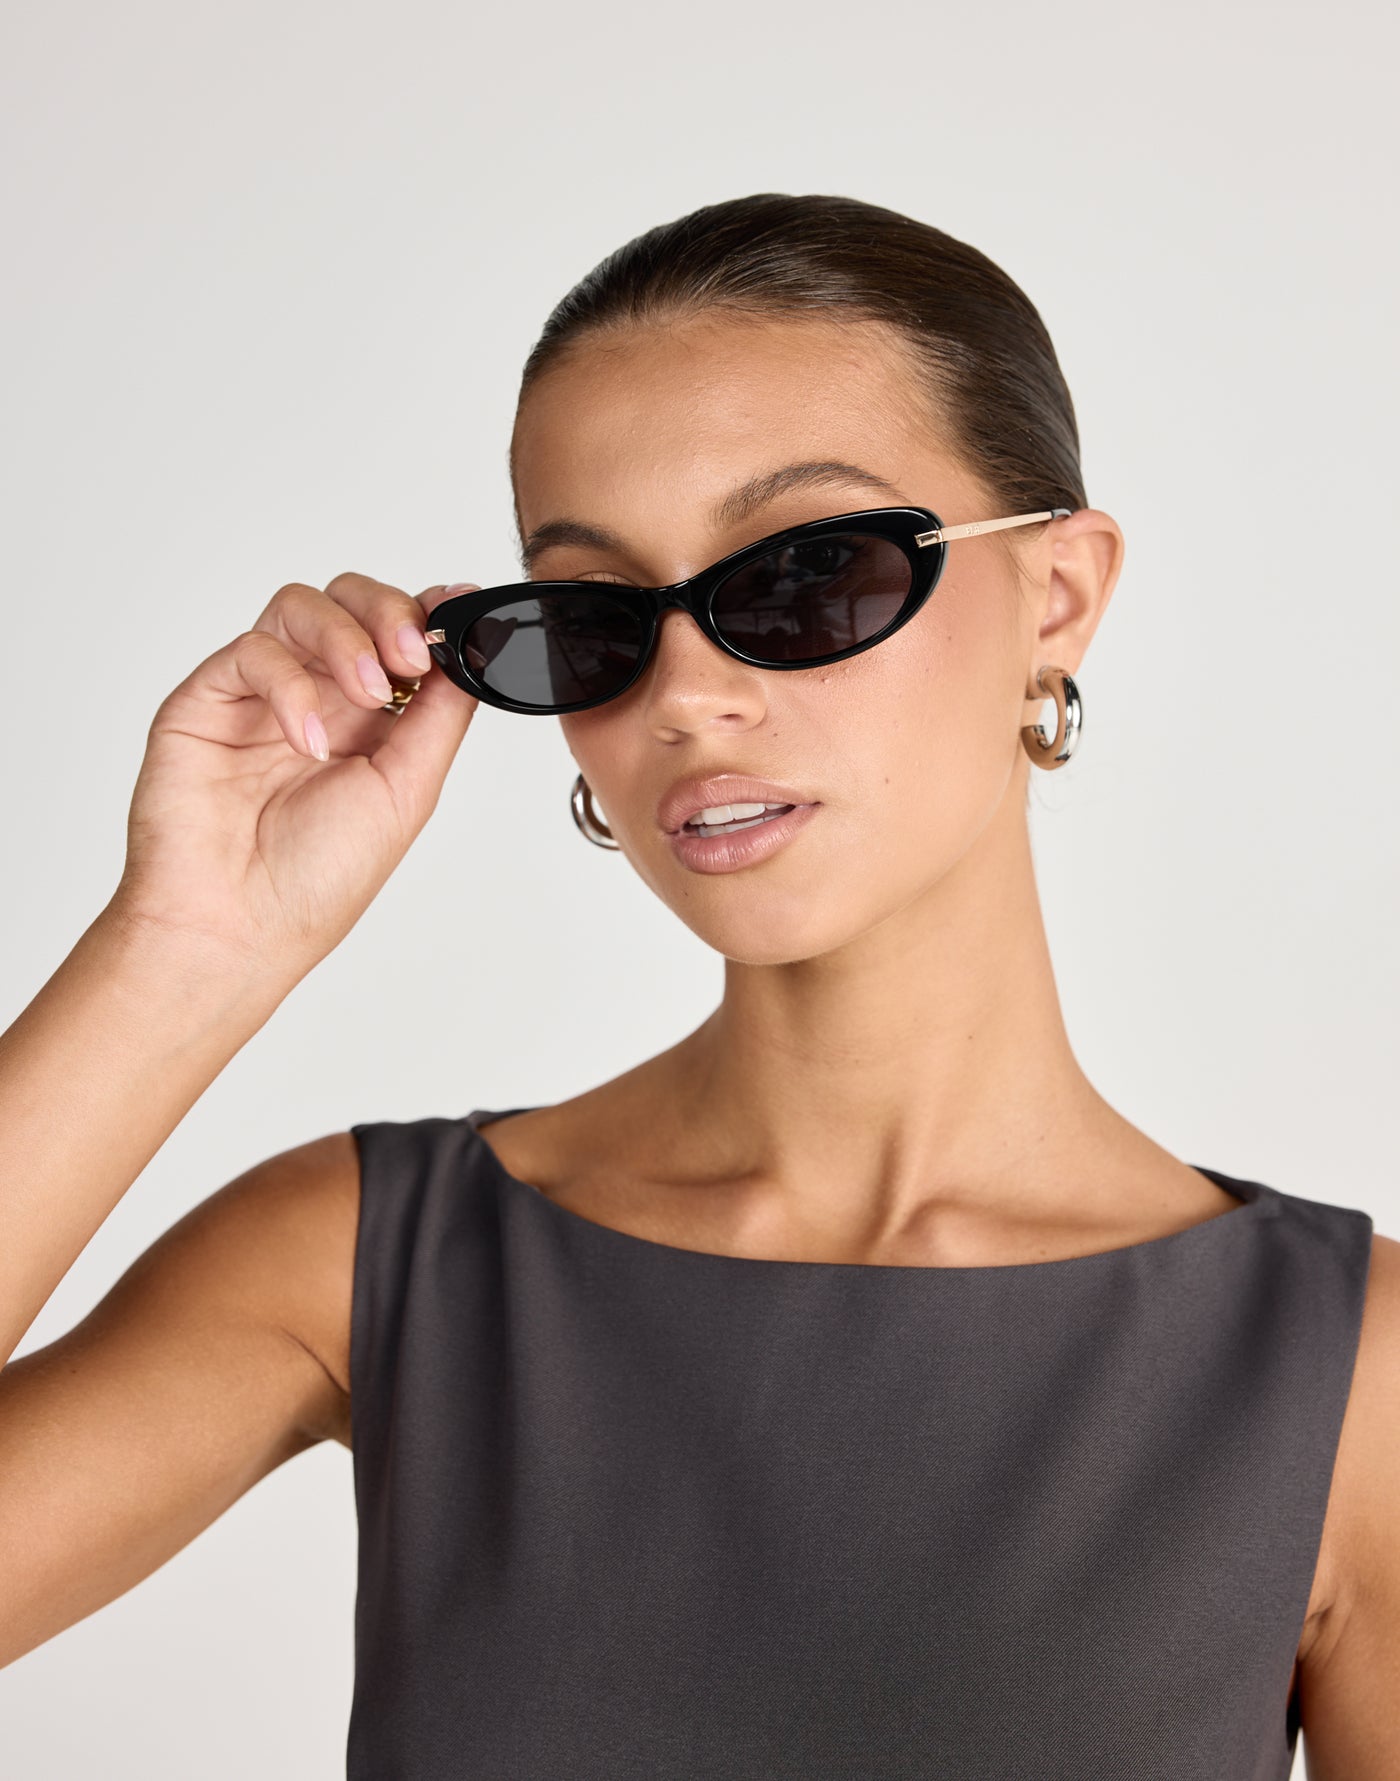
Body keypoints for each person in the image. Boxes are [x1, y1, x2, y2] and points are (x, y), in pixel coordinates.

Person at [0, 191, 1395, 1778]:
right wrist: (186, 946)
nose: (687, 694)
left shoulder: (1349, 1381)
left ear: (1057, 595)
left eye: (808, 576)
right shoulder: (374, 1259)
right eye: (595, 622)